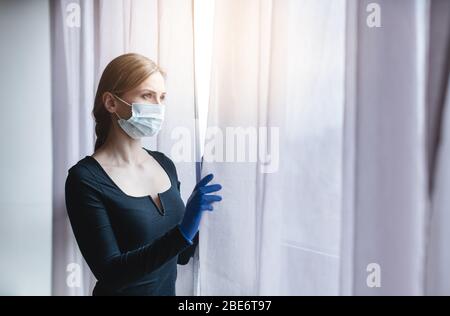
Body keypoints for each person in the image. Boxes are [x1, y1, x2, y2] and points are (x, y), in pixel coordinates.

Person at [64, 53, 222, 296]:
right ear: (111, 103)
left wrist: (202, 220)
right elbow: (111, 273)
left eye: (162, 97)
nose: (158, 107)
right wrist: (183, 232)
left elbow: (179, 257)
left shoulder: (165, 164)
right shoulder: (84, 179)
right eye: (147, 96)